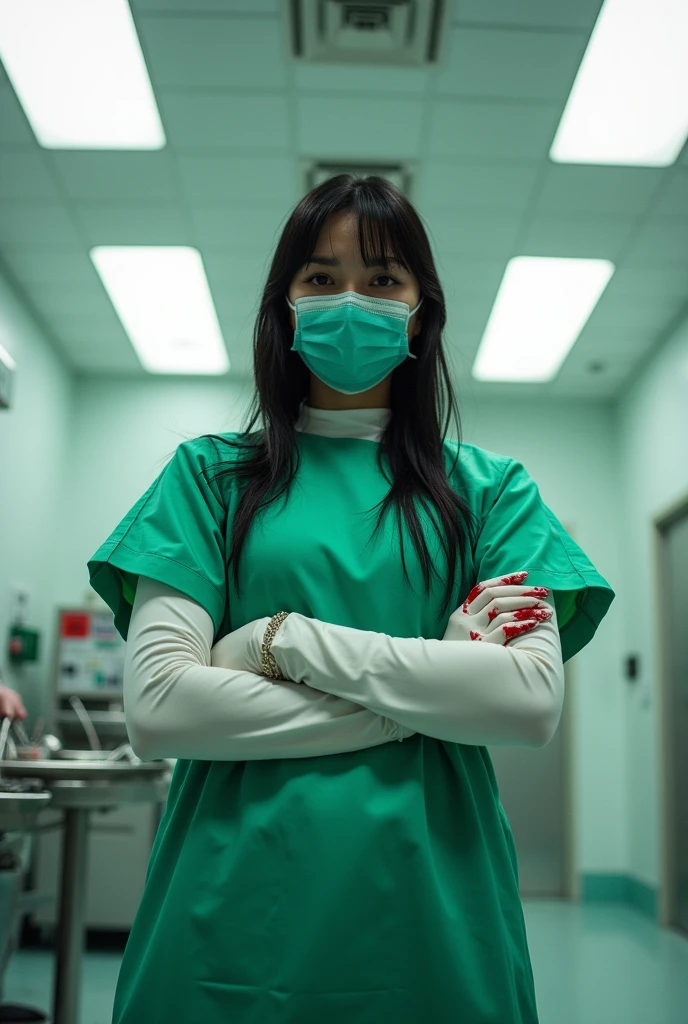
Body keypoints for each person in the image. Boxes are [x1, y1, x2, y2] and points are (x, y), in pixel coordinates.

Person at [87, 175, 615, 1023]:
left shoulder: (491, 493)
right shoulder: (209, 478)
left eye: (382, 280)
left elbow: (526, 702)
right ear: (285, 307)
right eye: (321, 278)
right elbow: (157, 708)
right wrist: (436, 690)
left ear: (420, 310)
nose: (350, 300)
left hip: (435, 907)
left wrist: (277, 637)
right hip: (228, 907)